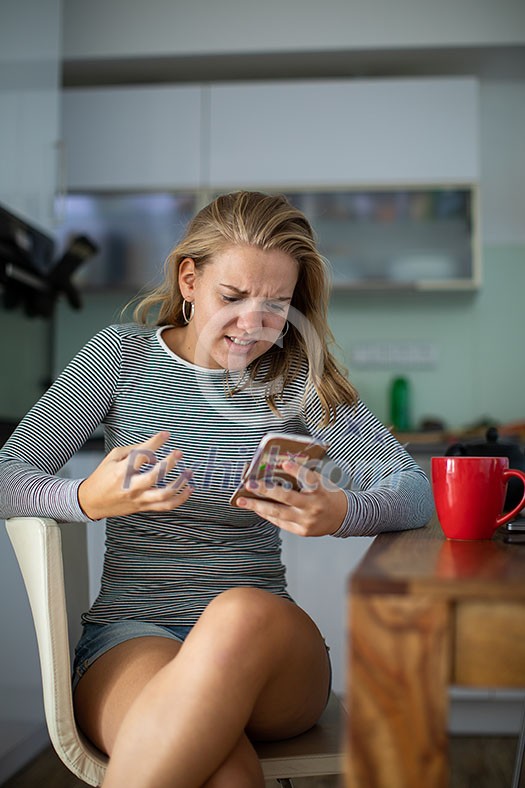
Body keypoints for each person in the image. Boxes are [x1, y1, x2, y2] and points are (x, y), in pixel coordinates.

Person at [0, 191, 433, 787]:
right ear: (189, 280)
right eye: (232, 297)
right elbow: (8, 478)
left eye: (277, 304)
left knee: (234, 616)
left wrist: (341, 512)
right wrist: (84, 500)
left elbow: (415, 490)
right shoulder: (118, 360)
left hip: (271, 653)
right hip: (133, 637)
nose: (253, 325)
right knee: (224, 773)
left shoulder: (290, 378)